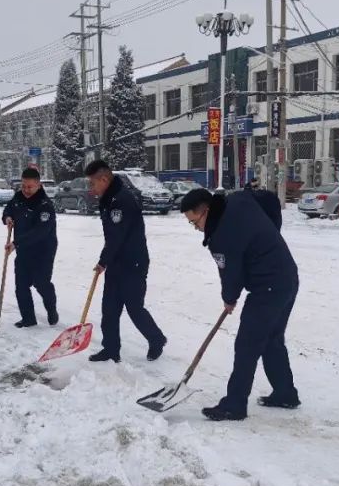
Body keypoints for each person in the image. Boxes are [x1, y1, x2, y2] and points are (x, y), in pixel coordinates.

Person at [180, 187, 299, 421]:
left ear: (205, 211)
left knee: (247, 345)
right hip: (288, 277)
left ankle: (234, 405)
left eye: (195, 222)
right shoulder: (237, 200)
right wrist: (272, 233)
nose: (196, 228)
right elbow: (269, 199)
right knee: (271, 339)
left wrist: (229, 298)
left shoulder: (221, 234)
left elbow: (231, 273)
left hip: (269, 287)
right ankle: (285, 393)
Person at [85, 159, 166, 363]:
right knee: (109, 309)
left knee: (134, 308)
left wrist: (103, 261)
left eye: (92, 183)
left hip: (133, 263)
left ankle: (156, 339)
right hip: (117, 261)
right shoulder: (110, 198)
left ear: (104, 179)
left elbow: (116, 237)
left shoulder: (121, 200)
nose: (91, 188)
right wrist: (107, 261)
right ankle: (111, 349)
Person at [1, 166, 58, 328]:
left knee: (41, 283)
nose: (25, 190)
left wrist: (15, 243)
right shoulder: (18, 197)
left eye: (29, 186)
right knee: (21, 284)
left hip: (43, 250)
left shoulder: (45, 205)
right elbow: (8, 209)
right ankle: (28, 318)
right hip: (24, 248)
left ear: (38, 185)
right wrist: (8, 218)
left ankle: (51, 308)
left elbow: (40, 232)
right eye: (23, 186)